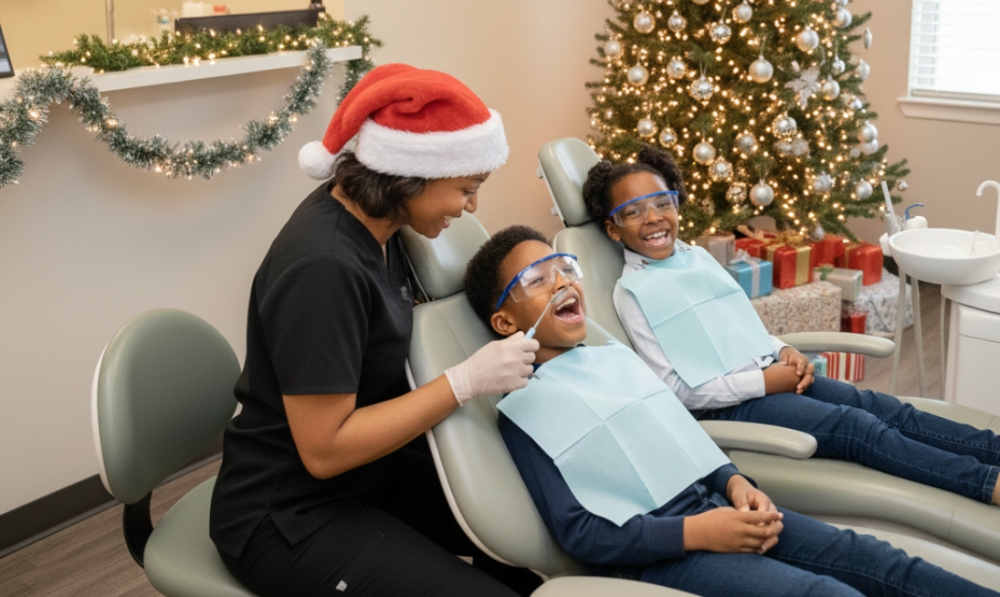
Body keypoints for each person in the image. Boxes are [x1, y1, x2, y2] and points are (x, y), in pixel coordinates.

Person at [463, 225, 1000, 597]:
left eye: (564, 268)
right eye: (537, 279)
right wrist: (698, 533)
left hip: (722, 506)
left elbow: (686, 436)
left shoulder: (611, 359)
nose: (562, 281)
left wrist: (735, 482)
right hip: (662, 556)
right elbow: (580, 534)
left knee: (880, 561)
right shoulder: (524, 411)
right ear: (505, 323)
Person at [209, 64, 544, 597]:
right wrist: (462, 382)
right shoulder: (324, 267)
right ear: (411, 174)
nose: (471, 206)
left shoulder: (383, 226)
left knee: (529, 530)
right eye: (466, 188)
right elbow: (325, 451)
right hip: (289, 515)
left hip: (370, 473)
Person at [579, 145, 1000, 506]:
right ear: (613, 228)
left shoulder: (695, 257)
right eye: (634, 212)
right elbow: (675, 391)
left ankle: (993, 450)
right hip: (732, 404)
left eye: (662, 203)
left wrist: (782, 350)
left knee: (878, 405)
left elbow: (740, 324)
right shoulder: (631, 293)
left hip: (771, 370)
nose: (654, 218)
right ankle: (986, 483)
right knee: (857, 427)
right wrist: (764, 382)